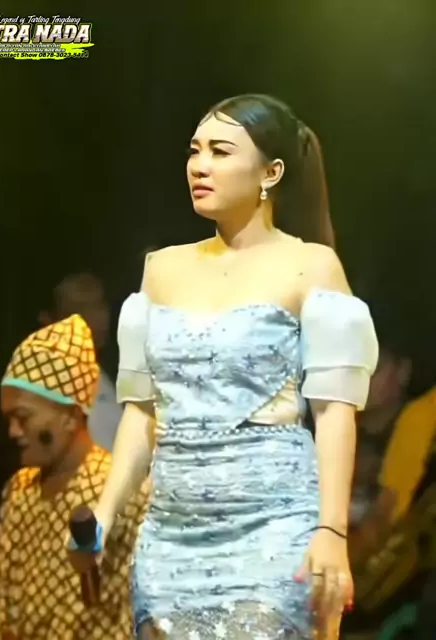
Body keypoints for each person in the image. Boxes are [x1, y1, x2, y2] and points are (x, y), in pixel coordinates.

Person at [70, 94, 379, 638]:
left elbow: (334, 413)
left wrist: (332, 531)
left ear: (271, 172)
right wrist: (105, 513)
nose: (199, 165)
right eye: (194, 151)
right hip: (170, 540)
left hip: (274, 530)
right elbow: (142, 413)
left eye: (219, 150)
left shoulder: (310, 265)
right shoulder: (162, 269)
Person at [0, 315, 148, 639]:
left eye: (23, 417)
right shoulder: (20, 491)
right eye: (8, 419)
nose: (13, 431)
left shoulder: (122, 494)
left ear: (71, 414)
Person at [39, 272, 122, 452]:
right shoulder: (47, 386)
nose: (98, 317)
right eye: (80, 309)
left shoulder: (103, 376)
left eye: (99, 305)